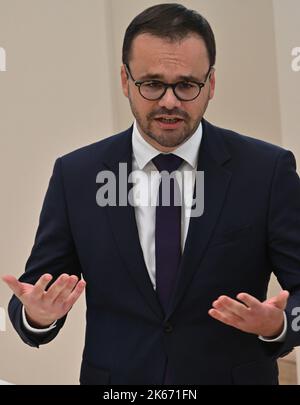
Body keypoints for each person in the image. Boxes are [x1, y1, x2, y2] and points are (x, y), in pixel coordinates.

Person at [2, 3, 300, 385]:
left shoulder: (267, 171)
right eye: (152, 84)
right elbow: (33, 297)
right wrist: (37, 315)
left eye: (186, 85)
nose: (170, 101)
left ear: (210, 84)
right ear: (125, 81)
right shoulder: (76, 175)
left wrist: (278, 326)